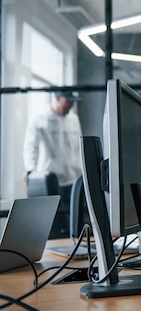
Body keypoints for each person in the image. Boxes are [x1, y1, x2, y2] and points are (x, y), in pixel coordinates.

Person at [23, 91, 83, 238]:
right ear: (57, 98)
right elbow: (31, 146)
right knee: (53, 225)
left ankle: (75, 252)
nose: (71, 105)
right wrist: (30, 169)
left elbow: (79, 147)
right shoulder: (39, 119)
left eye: (73, 102)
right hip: (51, 182)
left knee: (75, 223)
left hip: (73, 178)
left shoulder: (74, 119)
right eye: (68, 101)